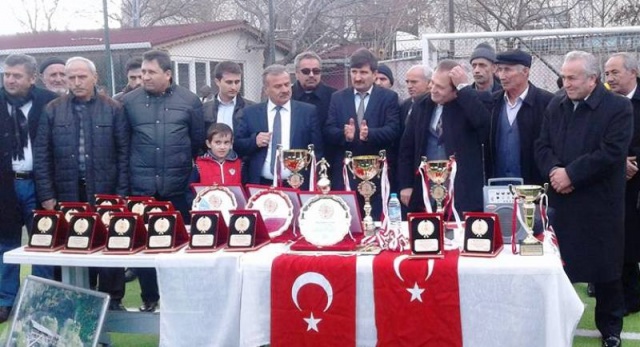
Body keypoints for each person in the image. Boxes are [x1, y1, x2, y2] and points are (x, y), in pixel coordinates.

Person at [535, 50, 633, 347]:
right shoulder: (557, 104)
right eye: (564, 77)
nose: (566, 83)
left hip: (600, 203)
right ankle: (555, 325)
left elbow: (611, 152)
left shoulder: (618, 108)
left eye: (572, 77)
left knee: (606, 270)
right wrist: (554, 171)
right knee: (560, 268)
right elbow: (542, 144)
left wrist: (571, 175)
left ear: (592, 79)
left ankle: (610, 329)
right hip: (562, 203)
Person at [33, 56, 130, 311]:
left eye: (81, 77)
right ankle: (79, 302)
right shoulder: (53, 109)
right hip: (67, 193)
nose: (76, 82)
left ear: (95, 78)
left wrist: (120, 195)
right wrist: (46, 194)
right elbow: (42, 155)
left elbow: (124, 154)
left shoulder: (114, 109)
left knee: (110, 246)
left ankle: (112, 301)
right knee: (75, 247)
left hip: (105, 191)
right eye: (71, 77)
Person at [123, 49, 204, 312]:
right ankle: (150, 297)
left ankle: (181, 301)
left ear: (167, 74)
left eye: (151, 72)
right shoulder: (129, 102)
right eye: (142, 72)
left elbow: (197, 142)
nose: (144, 77)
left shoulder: (190, 101)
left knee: (179, 245)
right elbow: (124, 144)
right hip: (142, 190)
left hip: (177, 188)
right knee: (145, 246)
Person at [0, 54, 58, 323]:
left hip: (39, 183)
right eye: (7, 75)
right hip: (5, 184)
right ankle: (5, 301)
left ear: (31, 78)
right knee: (5, 243)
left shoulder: (48, 102)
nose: (10, 80)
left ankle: (41, 298)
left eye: (16, 75)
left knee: (43, 243)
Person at [398, 60, 489, 214]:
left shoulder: (471, 102)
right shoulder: (421, 105)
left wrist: (464, 89)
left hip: (461, 192)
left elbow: (484, 125)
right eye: (432, 83)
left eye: (440, 87)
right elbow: (407, 148)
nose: (433, 89)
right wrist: (406, 185)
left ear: (455, 91)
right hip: (426, 190)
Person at [324, 48, 400, 220]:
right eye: (354, 72)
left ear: (374, 74)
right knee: (348, 220)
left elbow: (393, 130)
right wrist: (345, 135)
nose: (358, 77)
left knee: (376, 220)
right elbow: (328, 130)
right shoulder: (338, 97)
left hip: (377, 174)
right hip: (346, 173)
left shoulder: (388, 98)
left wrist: (370, 134)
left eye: (363, 72)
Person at [234, 64, 323, 189]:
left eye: (287, 84)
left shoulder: (307, 112)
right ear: (266, 89)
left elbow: (317, 150)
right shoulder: (250, 113)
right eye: (278, 86)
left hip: (297, 184)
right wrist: (254, 141)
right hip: (261, 184)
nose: (285, 90)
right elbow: (237, 145)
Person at [605, 52, 640, 317]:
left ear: (633, 72)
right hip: (609, 179)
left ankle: (631, 295)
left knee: (631, 239)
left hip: (636, 180)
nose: (610, 78)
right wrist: (618, 163)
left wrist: (634, 162)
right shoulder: (604, 103)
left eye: (615, 72)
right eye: (607, 73)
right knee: (614, 235)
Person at [488, 49, 553, 185]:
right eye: (500, 70)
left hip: (533, 186)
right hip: (497, 186)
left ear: (525, 71)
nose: (502, 76)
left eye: (507, 70)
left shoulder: (547, 103)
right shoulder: (492, 103)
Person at [292, 51, 337, 179]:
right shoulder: (287, 96)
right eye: (306, 71)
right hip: (293, 163)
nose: (311, 75)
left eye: (316, 71)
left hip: (327, 164)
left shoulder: (335, 97)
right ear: (296, 73)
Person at [203, 61, 253, 132]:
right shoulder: (204, 110)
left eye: (237, 82)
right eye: (229, 82)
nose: (234, 87)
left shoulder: (251, 108)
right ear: (217, 82)